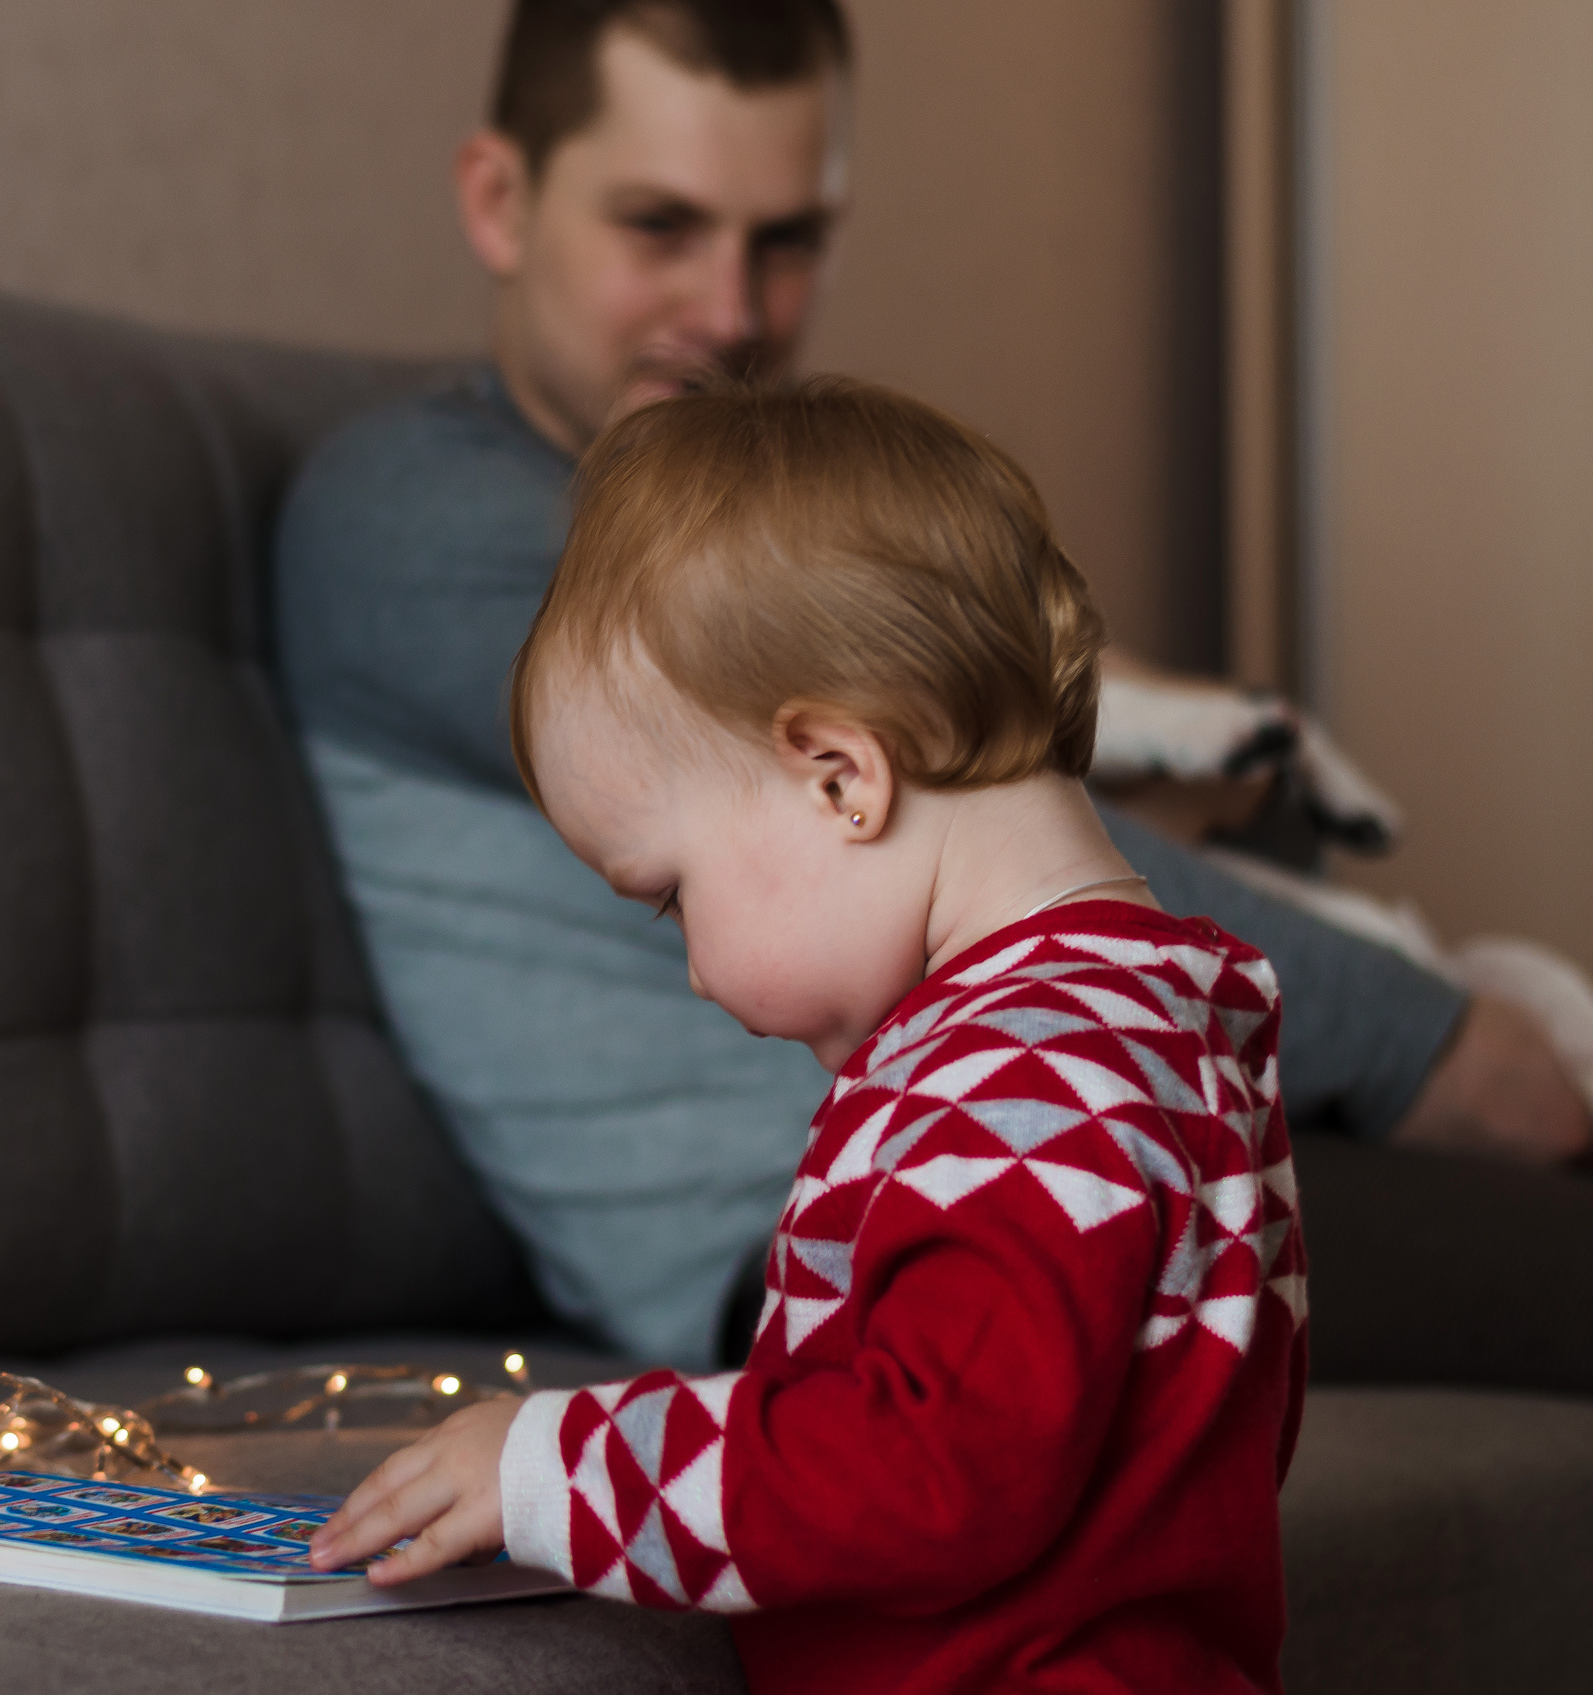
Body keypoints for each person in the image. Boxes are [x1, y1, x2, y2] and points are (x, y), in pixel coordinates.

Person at [272, 0, 1593, 1380]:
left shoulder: (763, 520)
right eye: (659, 226)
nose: (730, 315)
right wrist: (1429, 1048)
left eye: (787, 241)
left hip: (1069, 1104)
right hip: (871, 1226)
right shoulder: (413, 516)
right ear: (500, 199)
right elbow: (997, 811)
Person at [309, 381, 1305, 1695]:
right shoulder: (1141, 1020)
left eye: (672, 897)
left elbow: (935, 1470)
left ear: (841, 777)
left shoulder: (1031, 1071)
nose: (699, 976)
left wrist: (554, 1465)